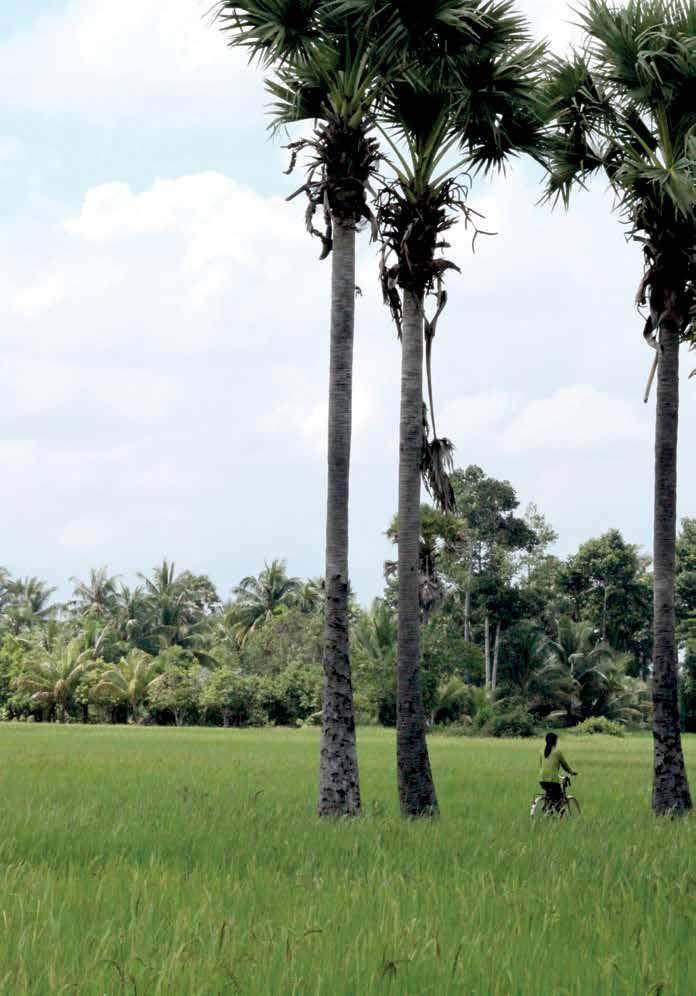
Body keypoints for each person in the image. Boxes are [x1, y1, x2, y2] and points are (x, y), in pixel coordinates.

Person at [539, 732, 577, 809]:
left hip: (542, 779)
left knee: (550, 797)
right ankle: (560, 813)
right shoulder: (557, 752)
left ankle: (547, 809)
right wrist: (571, 772)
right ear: (555, 741)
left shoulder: (541, 751)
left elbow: (542, 765)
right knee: (558, 800)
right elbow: (564, 765)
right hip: (552, 780)